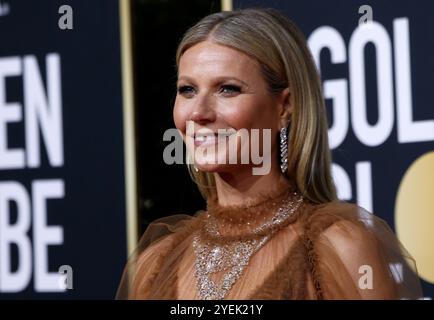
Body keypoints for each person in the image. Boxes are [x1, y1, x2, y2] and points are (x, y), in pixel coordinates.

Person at [116, 8, 423, 300]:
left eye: (228, 89)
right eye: (187, 90)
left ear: (285, 107)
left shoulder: (338, 248)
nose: (198, 112)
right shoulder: (156, 263)